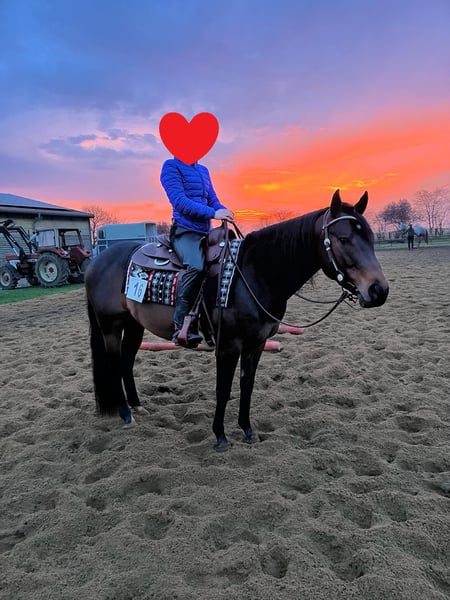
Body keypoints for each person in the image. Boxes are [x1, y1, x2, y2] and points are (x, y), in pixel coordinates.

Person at [160, 157, 234, 347]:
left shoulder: (203, 170)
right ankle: (180, 323)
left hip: (206, 232)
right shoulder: (171, 167)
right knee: (196, 266)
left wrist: (223, 210)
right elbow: (180, 202)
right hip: (185, 231)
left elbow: (212, 200)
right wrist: (213, 213)